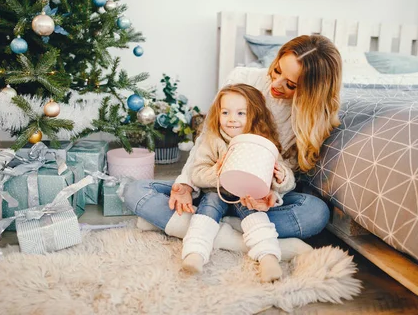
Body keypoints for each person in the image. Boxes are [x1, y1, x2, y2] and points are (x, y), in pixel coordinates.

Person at [122, 35, 341, 263]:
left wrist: (270, 195)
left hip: (252, 198)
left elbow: (285, 169)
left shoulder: (310, 118)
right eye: (277, 70)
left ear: (312, 91)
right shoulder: (242, 78)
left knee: (316, 213)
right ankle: (241, 239)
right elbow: (207, 137)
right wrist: (185, 184)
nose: (276, 84)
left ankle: (201, 227)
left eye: (291, 84)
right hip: (211, 188)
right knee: (135, 190)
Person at [182, 84, 295, 283]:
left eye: (241, 113)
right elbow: (196, 174)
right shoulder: (213, 140)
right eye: (225, 112)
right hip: (216, 193)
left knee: (256, 214)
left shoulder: (263, 142)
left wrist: (280, 176)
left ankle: (268, 258)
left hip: (247, 195)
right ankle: (195, 252)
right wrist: (217, 172)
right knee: (208, 206)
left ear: (255, 115)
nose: (232, 119)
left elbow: (288, 182)